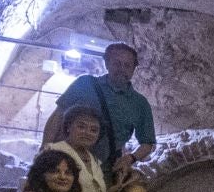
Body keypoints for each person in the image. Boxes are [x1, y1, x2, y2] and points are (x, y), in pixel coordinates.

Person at [39, 41, 156, 177]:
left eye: (127, 65)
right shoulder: (84, 84)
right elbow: (57, 116)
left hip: (102, 171)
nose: (122, 69)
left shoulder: (140, 103)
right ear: (107, 63)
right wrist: (45, 149)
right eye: (117, 63)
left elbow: (147, 142)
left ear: (134, 69)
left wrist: (130, 158)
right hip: (63, 163)